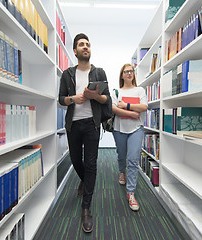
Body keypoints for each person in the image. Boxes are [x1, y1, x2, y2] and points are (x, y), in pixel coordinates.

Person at [58, 33, 111, 233]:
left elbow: (107, 100)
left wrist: (94, 96)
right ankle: (85, 181)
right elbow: (60, 99)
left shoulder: (99, 72)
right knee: (75, 160)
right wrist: (74, 99)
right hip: (73, 124)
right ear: (75, 50)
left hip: (92, 124)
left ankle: (86, 208)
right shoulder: (67, 74)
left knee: (91, 163)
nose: (85, 47)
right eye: (81, 44)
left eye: (88, 44)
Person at [111, 63, 147, 211]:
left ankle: (130, 193)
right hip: (119, 129)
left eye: (131, 71)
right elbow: (113, 108)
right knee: (121, 155)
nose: (129, 73)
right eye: (126, 71)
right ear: (122, 75)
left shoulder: (140, 90)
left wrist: (125, 106)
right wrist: (133, 113)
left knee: (132, 160)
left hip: (136, 129)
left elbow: (144, 107)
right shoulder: (116, 91)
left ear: (133, 74)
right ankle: (121, 171)